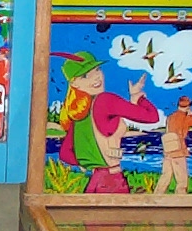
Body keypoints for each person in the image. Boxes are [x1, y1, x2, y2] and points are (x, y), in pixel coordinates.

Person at [55, 53, 157, 194]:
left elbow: (65, 154)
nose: (96, 77)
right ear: (74, 84)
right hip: (112, 182)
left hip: (95, 182)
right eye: (85, 76)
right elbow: (152, 117)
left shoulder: (78, 113)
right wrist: (138, 98)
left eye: (97, 70)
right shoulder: (105, 100)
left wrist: (88, 163)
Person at [154, 95, 192, 195]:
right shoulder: (186, 118)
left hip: (168, 150)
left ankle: (156, 196)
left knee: (165, 176)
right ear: (188, 107)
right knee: (182, 180)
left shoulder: (170, 117)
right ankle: (181, 199)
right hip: (178, 151)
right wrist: (191, 114)